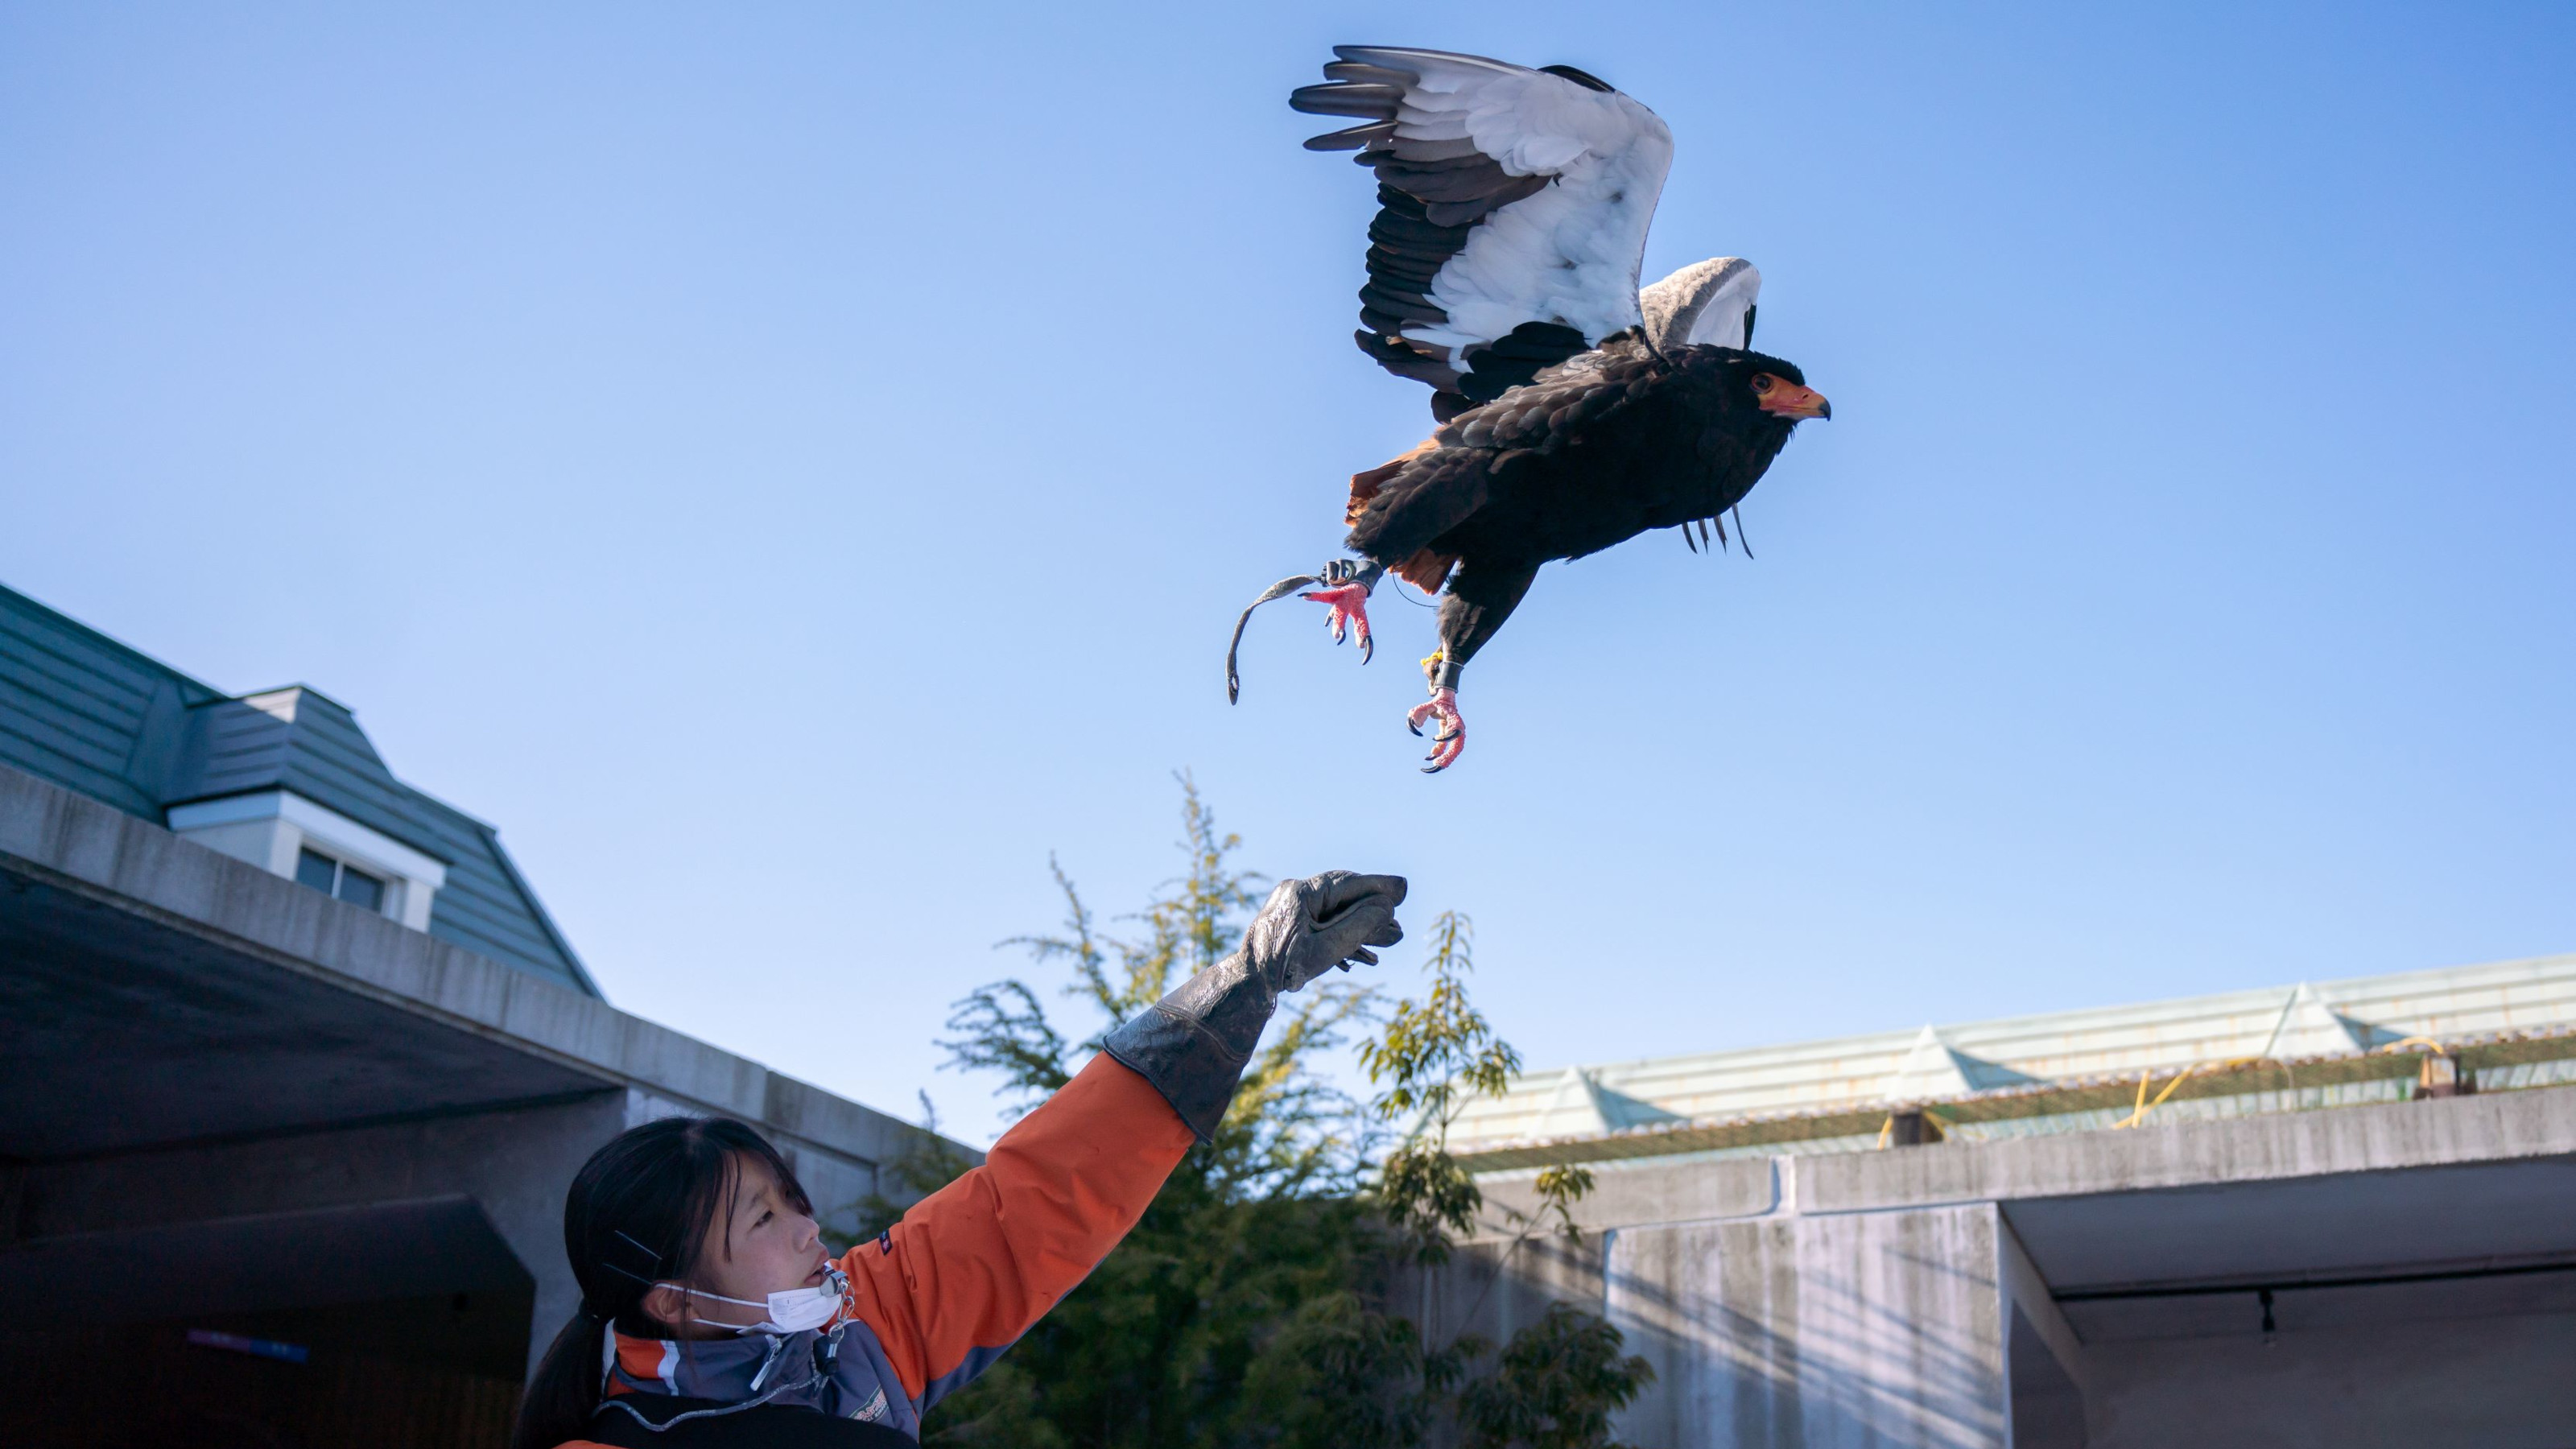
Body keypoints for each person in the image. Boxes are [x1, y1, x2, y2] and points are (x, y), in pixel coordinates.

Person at [510, 869, 1407, 1449]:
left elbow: (1039, 1198)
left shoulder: (865, 1331)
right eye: (763, 1219)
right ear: (671, 1298)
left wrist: (1247, 981)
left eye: (791, 1199)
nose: (807, 1227)